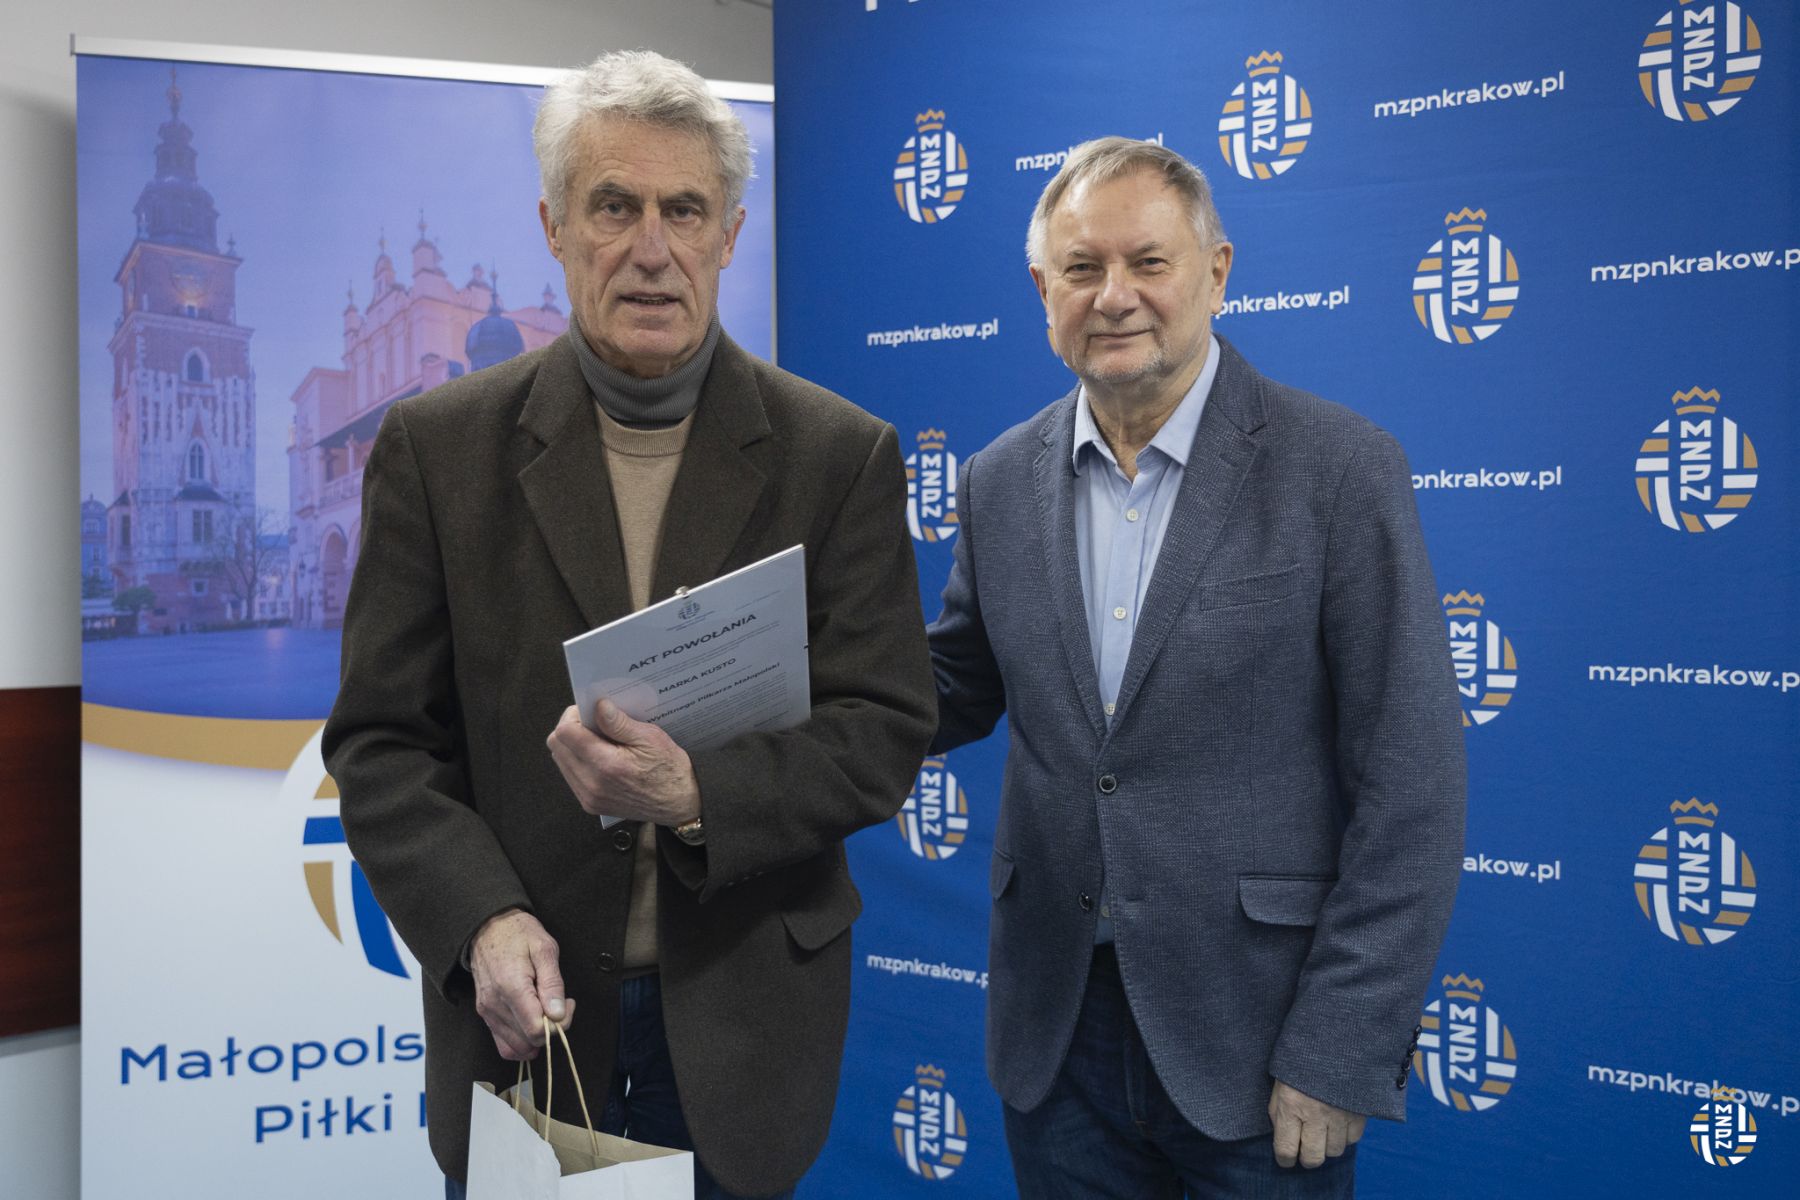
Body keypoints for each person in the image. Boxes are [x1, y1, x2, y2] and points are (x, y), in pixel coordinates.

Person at [322, 50, 935, 1200]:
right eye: (614, 206)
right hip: (526, 1030)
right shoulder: (436, 451)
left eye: (684, 210)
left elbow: (883, 727)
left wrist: (699, 795)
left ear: (729, 233)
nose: (652, 248)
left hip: (745, 1024)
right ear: (554, 227)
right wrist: (481, 920)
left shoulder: (839, 455)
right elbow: (383, 744)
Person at [926, 137, 1466, 1197]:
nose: (1114, 296)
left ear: (1217, 272)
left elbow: (1412, 786)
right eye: (1082, 268)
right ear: (1042, 289)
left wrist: (1341, 1047)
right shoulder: (997, 480)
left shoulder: (1340, 469)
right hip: (1057, 1040)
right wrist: (757, 690)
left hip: (1261, 1046)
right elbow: (947, 690)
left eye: (1149, 262)